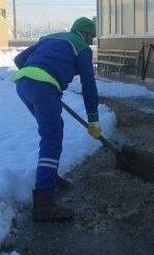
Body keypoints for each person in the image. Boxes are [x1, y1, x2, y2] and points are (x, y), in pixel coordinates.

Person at [13, 17, 100, 221]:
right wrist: (93, 119)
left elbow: (19, 61)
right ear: (86, 34)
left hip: (23, 85)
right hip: (42, 88)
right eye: (91, 38)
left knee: (53, 131)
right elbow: (89, 86)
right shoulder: (82, 48)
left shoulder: (50, 38)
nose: (90, 43)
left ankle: (49, 176)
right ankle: (43, 202)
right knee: (52, 136)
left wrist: (41, 80)